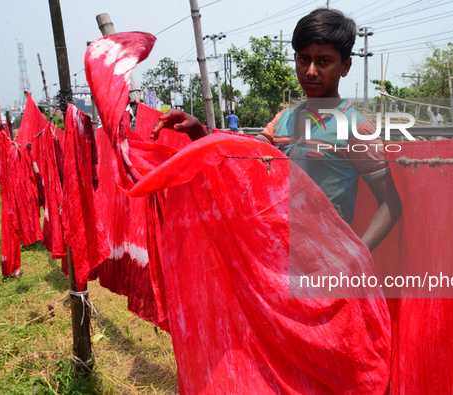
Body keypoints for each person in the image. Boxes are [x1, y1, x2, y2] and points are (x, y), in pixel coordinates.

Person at [151, 8, 402, 252]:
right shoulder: (282, 120)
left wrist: (357, 255)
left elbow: (391, 203)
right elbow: (240, 164)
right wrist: (197, 132)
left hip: (327, 265)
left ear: (345, 66)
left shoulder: (357, 128)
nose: (311, 71)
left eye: (324, 61)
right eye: (304, 59)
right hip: (276, 258)